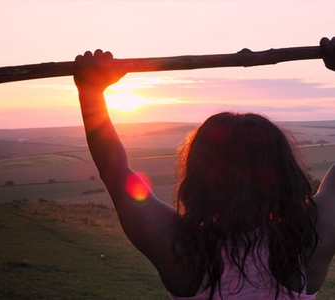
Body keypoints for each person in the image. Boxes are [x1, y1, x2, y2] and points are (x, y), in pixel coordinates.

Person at [73, 37, 335, 300]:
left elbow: (114, 170)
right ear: (283, 174)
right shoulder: (309, 241)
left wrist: (91, 92)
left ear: (198, 175)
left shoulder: (178, 248)